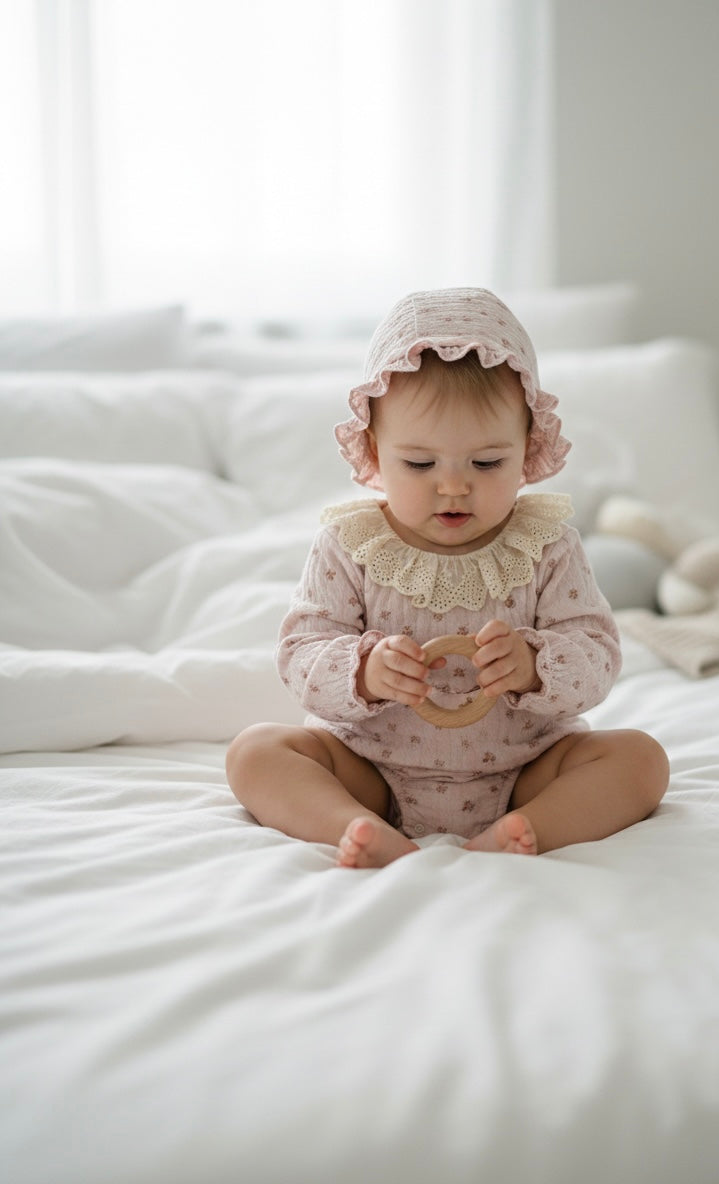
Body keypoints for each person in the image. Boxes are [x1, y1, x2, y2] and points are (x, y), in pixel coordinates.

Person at [226, 287, 668, 868]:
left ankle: (527, 826)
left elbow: (598, 654)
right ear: (374, 452)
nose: (454, 486)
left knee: (642, 759)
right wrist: (364, 671)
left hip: (526, 769)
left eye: (487, 463)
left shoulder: (548, 544)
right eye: (419, 464)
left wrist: (536, 665)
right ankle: (354, 825)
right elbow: (300, 654)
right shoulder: (349, 544)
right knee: (255, 751)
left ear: (527, 449)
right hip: (370, 769)